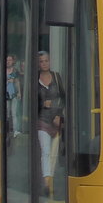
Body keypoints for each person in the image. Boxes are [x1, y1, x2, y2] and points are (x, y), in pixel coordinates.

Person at [36, 51, 65, 195]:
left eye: (46, 60)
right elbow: (31, 101)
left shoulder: (56, 77)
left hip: (56, 120)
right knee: (46, 152)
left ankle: (51, 178)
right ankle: (47, 182)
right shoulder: (35, 79)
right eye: (41, 61)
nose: (44, 63)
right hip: (42, 121)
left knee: (54, 154)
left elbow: (64, 98)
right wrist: (43, 103)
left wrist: (59, 114)